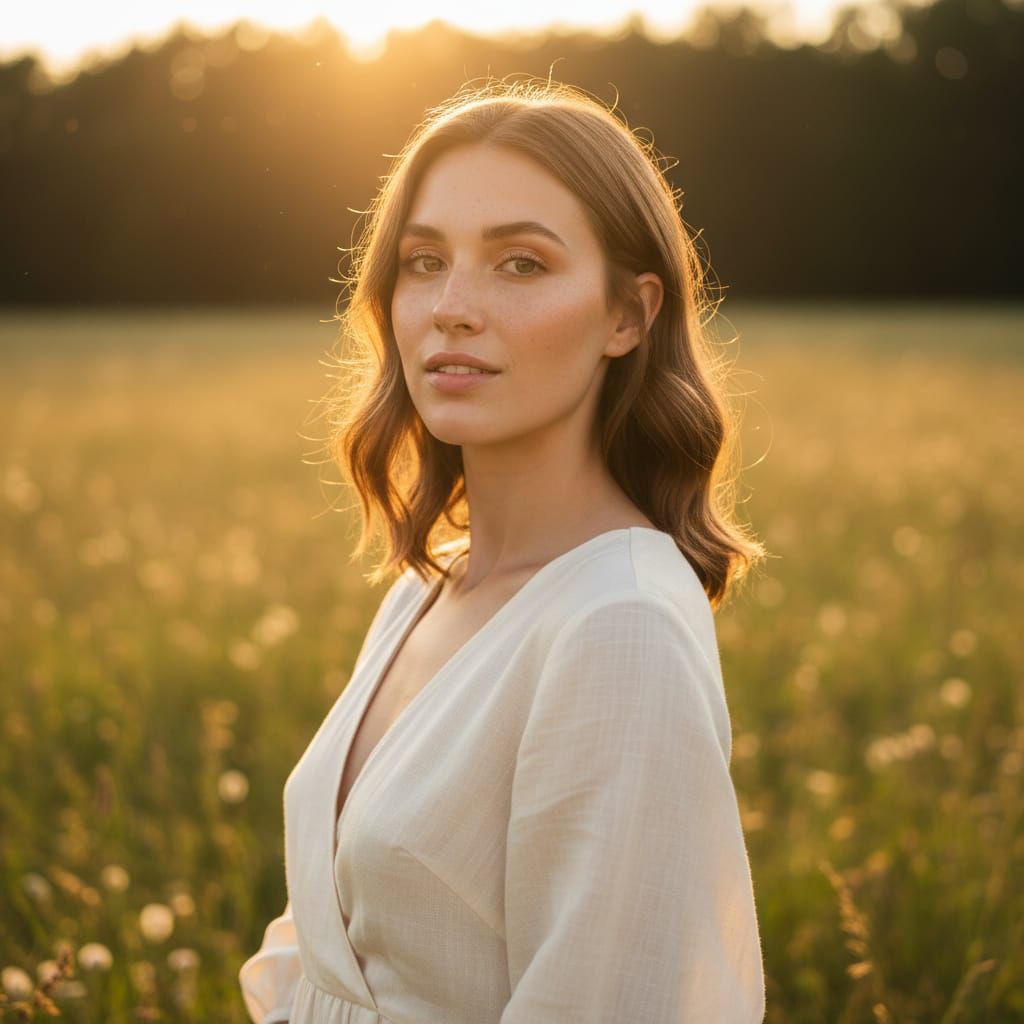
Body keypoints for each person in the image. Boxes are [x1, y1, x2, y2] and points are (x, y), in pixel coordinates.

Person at [239, 74, 767, 1024]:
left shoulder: (620, 628)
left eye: (520, 264)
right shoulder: (424, 588)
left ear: (627, 317)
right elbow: (329, 946)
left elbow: (618, 1000)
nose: (452, 306)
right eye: (424, 261)